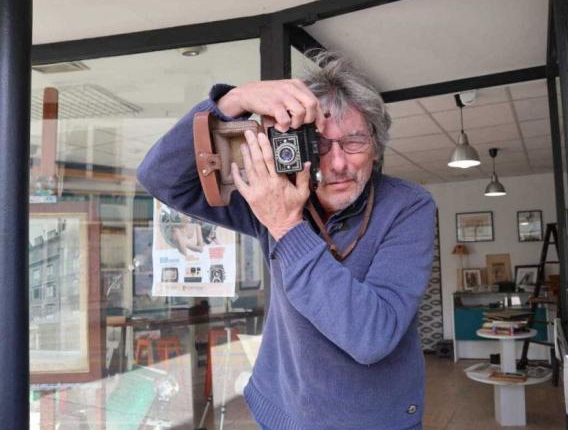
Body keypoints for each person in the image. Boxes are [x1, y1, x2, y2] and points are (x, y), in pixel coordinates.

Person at [137, 51, 436, 430]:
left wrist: (286, 227)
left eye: (354, 142)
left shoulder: (408, 205)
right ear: (297, 148)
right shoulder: (276, 195)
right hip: (283, 412)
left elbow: (372, 336)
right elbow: (159, 178)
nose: (338, 163)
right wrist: (233, 101)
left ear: (376, 147)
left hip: (375, 418)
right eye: (321, 146)